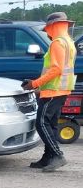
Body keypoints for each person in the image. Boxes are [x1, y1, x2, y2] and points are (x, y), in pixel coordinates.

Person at [22, 12, 77, 172]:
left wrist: (34, 84)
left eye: (48, 29)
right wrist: (40, 87)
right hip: (61, 88)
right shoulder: (69, 42)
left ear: (53, 26)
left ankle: (57, 155)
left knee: (41, 123)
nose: (47, 32)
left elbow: (56, 69)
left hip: (53, 91)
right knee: (51, 124)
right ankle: (48, 157)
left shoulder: (57, 43)